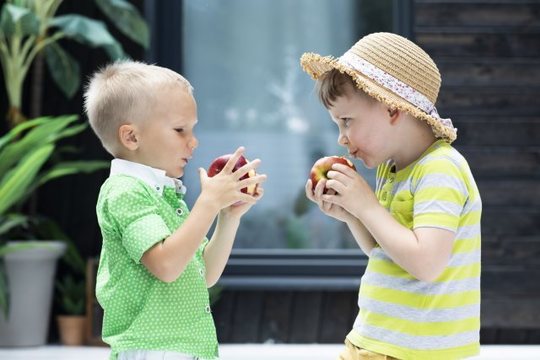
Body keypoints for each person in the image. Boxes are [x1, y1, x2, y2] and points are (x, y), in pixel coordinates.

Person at [301, 32, 481, 360]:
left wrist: (366, 205)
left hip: (417, 352)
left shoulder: (440, 169)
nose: (341, 138)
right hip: (374, 341)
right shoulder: (393, 169)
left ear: (392, 110)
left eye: (346, 121)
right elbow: (382, 250)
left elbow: (426, 263)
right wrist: (351, 214)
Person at [84, 61, 266, 360]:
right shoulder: (125, 192)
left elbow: (203, 274)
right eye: (180, 130)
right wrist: (207, 203)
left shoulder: (164, 195)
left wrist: (228, 216)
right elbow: (166, 266)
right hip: (152, 348)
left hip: (182, 346)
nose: (193, 142)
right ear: (131, 137)